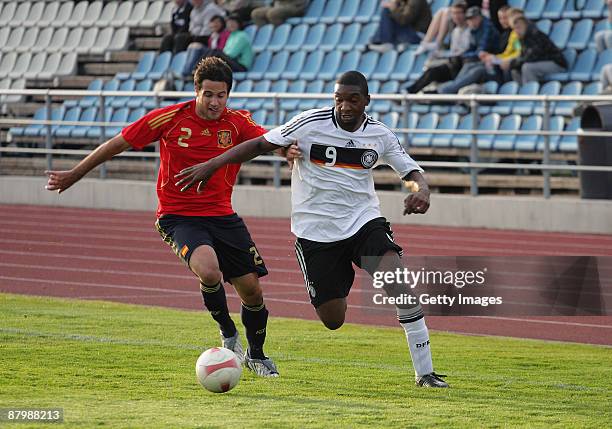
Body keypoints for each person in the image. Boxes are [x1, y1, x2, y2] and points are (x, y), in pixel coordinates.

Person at [175, 71, 449, 388]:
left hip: (363, 222)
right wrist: (212, 165)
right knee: (333, 319)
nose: (344, 106)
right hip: (316, 232)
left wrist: (423, 190)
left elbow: (411, 170)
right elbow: (259, 144)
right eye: (339, 98)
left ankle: (425, 373)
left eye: (353, 99)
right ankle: (340, 280)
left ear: (367, 101)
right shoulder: (309, 123)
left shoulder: (380, 135)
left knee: (397, 281)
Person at [44, 57, 279, 378]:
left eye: (221, 95)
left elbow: (267, 140)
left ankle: (257, 354)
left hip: (223, 216)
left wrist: (288, 151)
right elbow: (117, 143)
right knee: (209, 270)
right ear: (196, 91)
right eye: (208, 94)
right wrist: (75, 173)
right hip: (178, 216)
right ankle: (227, 331)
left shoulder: (236, 122)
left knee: (252, 290)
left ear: (228, 95)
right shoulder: (169, 118)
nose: (214, 102)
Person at [404, 1, 471, 93]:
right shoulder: (455, 31)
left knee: (434, 71)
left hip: (463, 66)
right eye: (454, 13)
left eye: (459, 13)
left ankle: (412, 92)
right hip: (453, 63)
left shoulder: (471, 31)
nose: (456, 16)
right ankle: (412, 91)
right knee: (431, 67)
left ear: (465, 14)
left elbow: (464, 52)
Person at [435, 6, 499, 94]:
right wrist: (464, 55)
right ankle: (451, 90)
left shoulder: (487, 28)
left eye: (473, 18)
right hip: (480, 62)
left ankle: (447, 91)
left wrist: (464, 55)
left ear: (480, 17)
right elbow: (472, 49)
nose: (471, 21)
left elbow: (481, 50)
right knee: (468, 64)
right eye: (469, 19)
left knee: (476, 70)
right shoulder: (474, 30)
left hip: (493, 66)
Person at [509, 16, 566, 84]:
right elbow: (522, 56)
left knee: (527, 68)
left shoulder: (536, 35)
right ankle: (523, 92)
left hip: (556, 64)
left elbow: (532, 57)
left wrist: (512, 63)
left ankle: (531, 92)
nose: (516, 31)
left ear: (526, 26)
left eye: (519, 27)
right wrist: (513, 64)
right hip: (540, 64)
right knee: (515, 71)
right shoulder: (522, 39)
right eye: (514, 29)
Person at [480, 5, 521, 83]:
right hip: (505, 60)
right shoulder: (505, 34)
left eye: (505, 18)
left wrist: (501, 59)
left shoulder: (516, 33)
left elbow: (518, 52)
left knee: (479, 71)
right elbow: (507, 52)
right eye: (500, 18)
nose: (503, 21)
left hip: (514, 62)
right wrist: (493, 57)